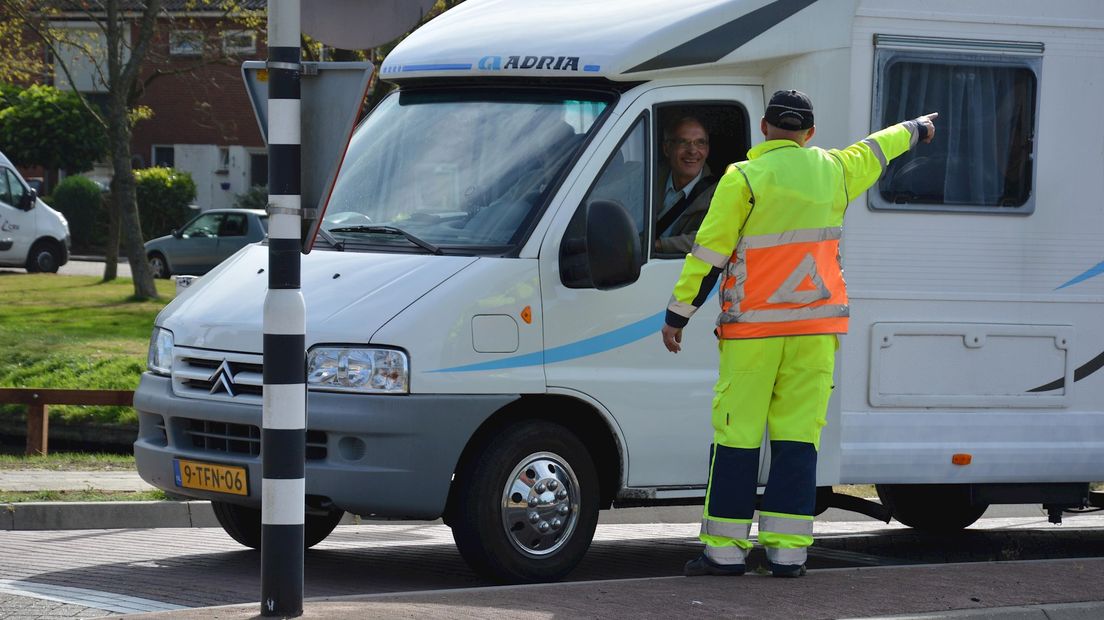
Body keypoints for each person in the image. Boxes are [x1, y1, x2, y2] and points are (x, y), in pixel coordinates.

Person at [660, 89, 938, 578]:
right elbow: (877, 147)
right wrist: (917, 129)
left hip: (754, 334)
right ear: (809, 134)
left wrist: (678, 314)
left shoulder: (743, 176)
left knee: (738, 438)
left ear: (764, 129)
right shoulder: (834, 170)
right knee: (797, 441)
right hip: (815, 332)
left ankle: (724, 553)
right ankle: (787, 553)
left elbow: (709, 252)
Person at [654, 117, 719, 254]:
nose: (692, 151)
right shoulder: (649, 176)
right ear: (667, 148)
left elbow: (713, 238)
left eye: (700, 143)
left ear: (707, 150)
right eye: (683, 142)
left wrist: (658, 245)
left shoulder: (720, 191)